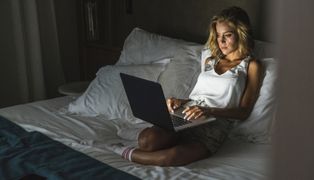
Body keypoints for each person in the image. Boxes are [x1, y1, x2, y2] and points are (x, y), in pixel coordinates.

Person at [112, 6, 262, 166]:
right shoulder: (211, 60)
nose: (221, 41)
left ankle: (120, 151)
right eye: (218, 36)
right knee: (146, 140)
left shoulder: (251, 65)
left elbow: (244, 111)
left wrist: (208, 110)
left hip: (216, 122)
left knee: (173, 156)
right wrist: (180, 102)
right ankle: (165, 139)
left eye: (228, 35)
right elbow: (199, 95)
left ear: (240, 33)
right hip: (188, 114)